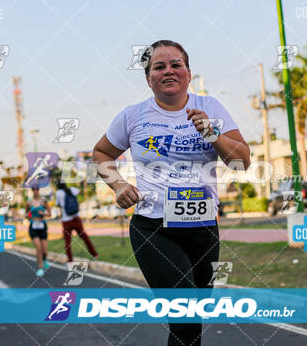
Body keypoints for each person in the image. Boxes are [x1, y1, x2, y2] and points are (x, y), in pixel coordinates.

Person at [93, 40, 250, 346]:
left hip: (204, 229)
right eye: (159, 66)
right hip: (154, 229)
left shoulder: (211, 108)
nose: (168, 71)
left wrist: (213, 134)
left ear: (188, 73)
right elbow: (100, 153)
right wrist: (119, 184)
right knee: (185, 314)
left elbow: (241, 161)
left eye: (176, 64)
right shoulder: (133, 116)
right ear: (148, 77)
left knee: (192, 322)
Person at [55, 180, 98, 262]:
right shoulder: (72, 189)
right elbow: (79, 191)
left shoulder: (59, 193)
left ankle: (70, 260)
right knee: (84, 237)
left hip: (66, 220)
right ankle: (94, 254)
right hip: (76, 218)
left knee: (67, 242)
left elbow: (58, 204)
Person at [25, 186, 51, 276]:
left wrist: (43, 213)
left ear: (39, 190)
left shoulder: (43, 201)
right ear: (32, 191)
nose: (35, 191)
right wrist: (29, 216)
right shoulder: (29, 202)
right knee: (38, 247)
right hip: (33, 226)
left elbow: (49, 213)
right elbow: (27, 214)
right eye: (34, 189)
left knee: (45, 250)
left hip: (42, 226)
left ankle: (44, 260)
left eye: (37, 189)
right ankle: (40, 268)